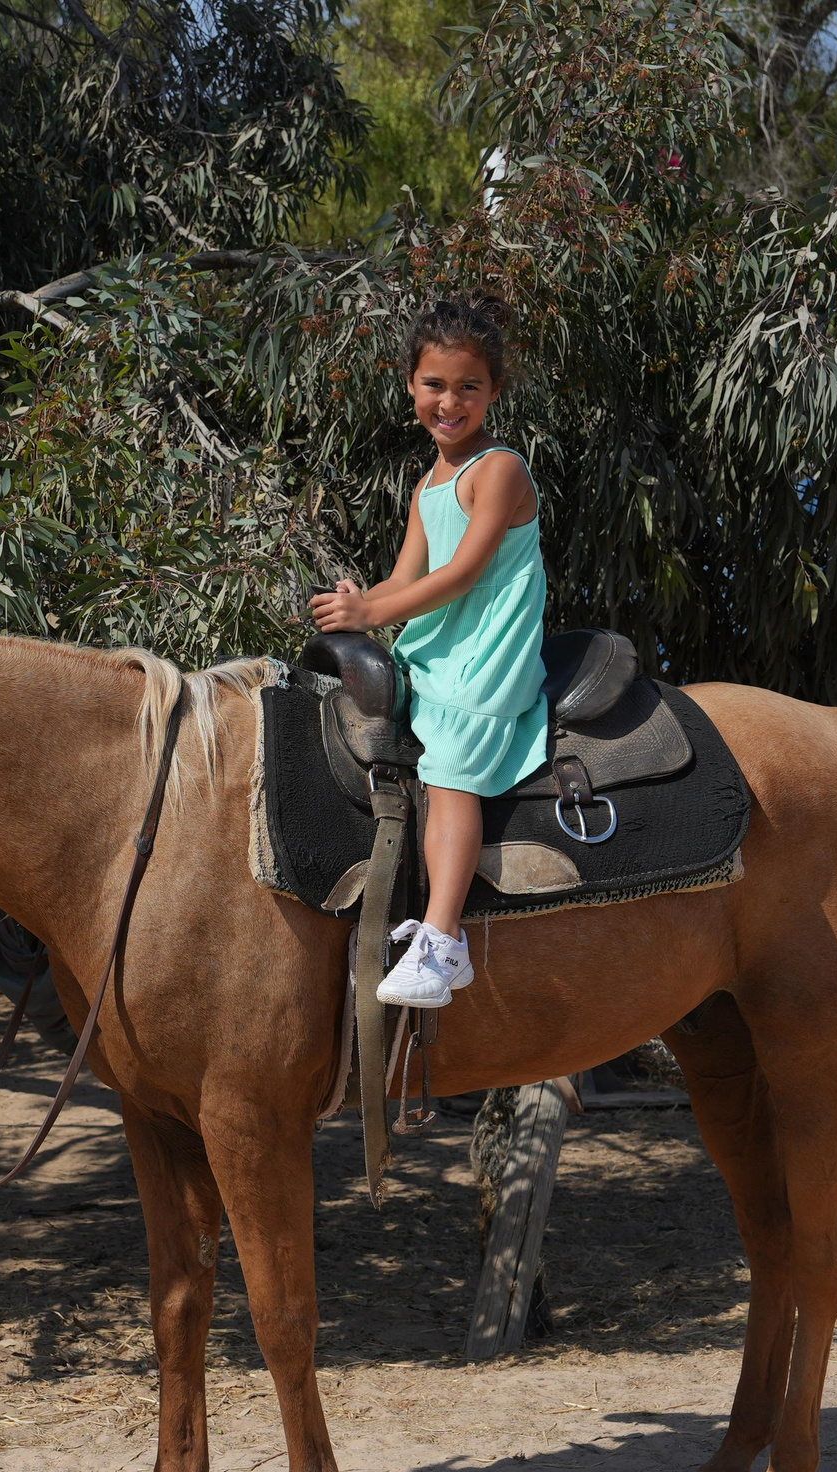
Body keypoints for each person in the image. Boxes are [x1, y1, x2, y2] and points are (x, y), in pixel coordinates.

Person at [311, 296, 547, 1009]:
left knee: (449, 765)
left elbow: (463, 574)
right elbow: (405, 577)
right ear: (411, 385)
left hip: (485, 654)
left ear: (494, 391)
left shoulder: (499, 469)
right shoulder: (428, 483)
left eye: (469, 386)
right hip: (440, 646)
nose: (450, 402)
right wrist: (354, 606)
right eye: (435, 385)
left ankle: (443, 941)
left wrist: (372, 613)